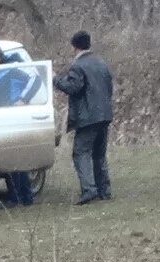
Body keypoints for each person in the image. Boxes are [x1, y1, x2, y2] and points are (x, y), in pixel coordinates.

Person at [56, 33, 114, 204]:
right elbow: (109, 87)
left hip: (88, 117)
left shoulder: (78, 66)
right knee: (99, 154)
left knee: (80, 153)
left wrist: (56, 80)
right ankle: (104, 190)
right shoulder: (101, 63)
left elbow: (73, 87)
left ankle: (89, 190)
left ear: (75, 47)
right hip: (104, 115)